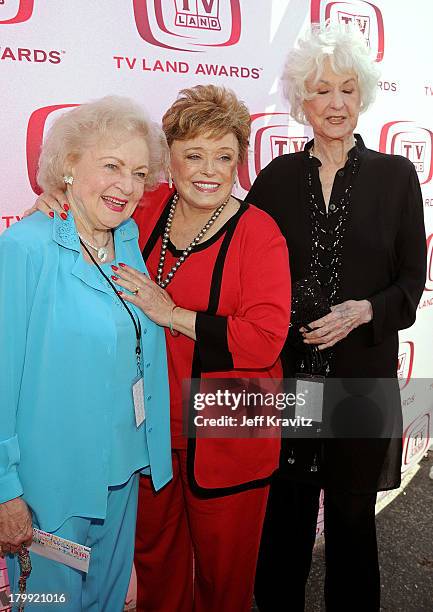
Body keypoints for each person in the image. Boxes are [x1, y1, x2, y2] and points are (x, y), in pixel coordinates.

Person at [31, 84, 291, 612]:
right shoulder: (145, 207)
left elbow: (264, 339)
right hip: (148, 430)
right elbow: (81, 217)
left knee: (224, 579)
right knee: (156, 569)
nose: (209, 169)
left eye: (224, 155)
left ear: (241, 160)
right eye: (193, 154)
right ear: (165, 158)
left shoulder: (259, 233)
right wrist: (56, 199)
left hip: (231, 428)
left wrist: (170, 312)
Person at [246, 26, 427, 612]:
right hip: (292, 377)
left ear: (363, 96)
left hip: (362, 376)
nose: (336, 104)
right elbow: (235, 249)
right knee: (287, 525)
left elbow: (411, 283)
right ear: (302, 99)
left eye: (348, 90)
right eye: (322, 91)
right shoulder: (274, 180)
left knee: (352, 524)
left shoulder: (397, 178)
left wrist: (365, 310)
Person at [0, 97, 172, 611]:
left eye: (139, 173)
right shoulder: (26, 247)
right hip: (50, 492)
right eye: (112, 166)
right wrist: (5, 492)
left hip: (121, 476)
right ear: (69, 165)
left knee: (105, 602)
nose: (127, 186)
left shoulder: (126, 239)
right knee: (51, 604)